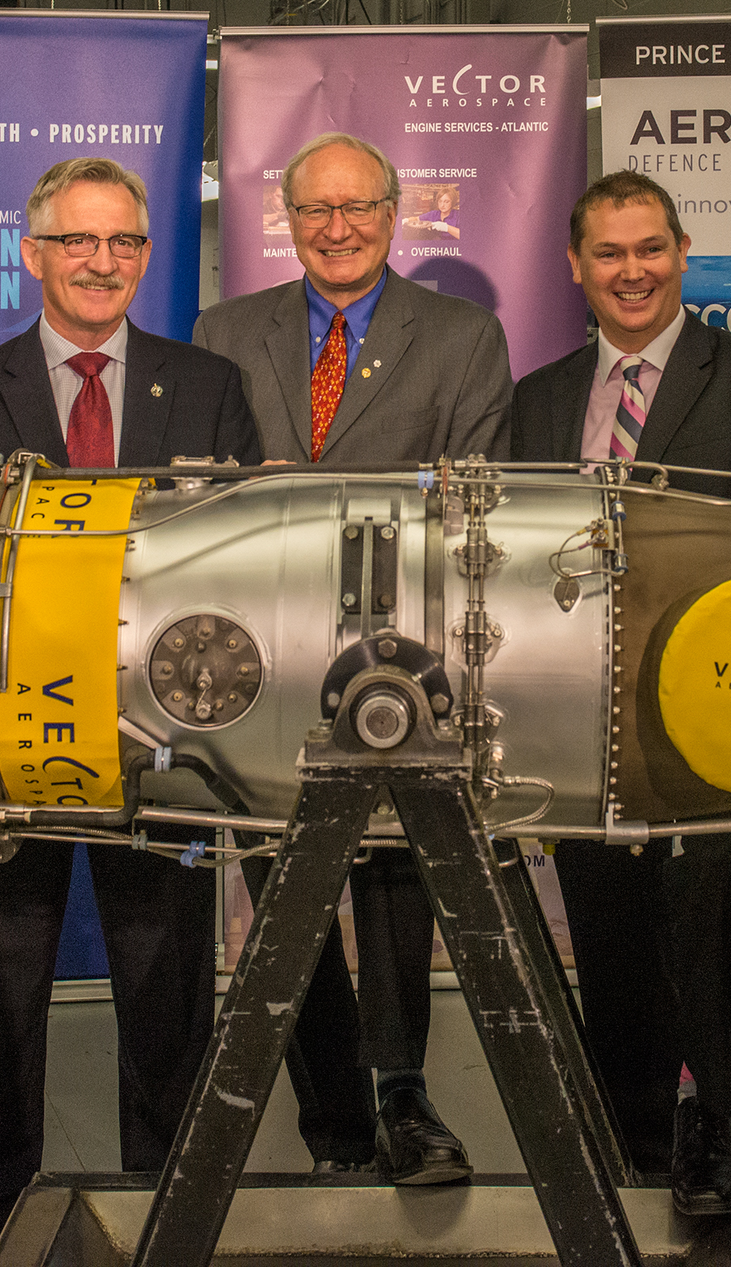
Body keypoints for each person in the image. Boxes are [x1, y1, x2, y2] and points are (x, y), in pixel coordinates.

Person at [0, 157, 263, 1267]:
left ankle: (169, 1209)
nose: (102, 263)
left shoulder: (205, 385)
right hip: (12, 742)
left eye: (123, 243)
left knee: (166, 986)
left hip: (166, 745)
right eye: (79, 243)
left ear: (146, 256)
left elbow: (250, 553)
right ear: (34, 254)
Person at [194, 131, 511, 1185]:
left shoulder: (465, 337)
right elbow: (201, 495)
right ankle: (331, 1114)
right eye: (315, 211)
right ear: (285, 218)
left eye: (358, 209)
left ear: (394, 214)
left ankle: (402, 1092)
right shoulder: (225, 332)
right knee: (279, 888)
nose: (337, 229)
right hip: (257, 664)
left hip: (399, 661)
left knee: (392, 880)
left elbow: (476, 497)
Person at [511, 170, 731, 1215]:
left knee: (711, 913)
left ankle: (706, 1131)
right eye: (610, 252)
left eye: (650, 249)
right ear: (576, 267)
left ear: (682, 253)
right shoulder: (540, 398)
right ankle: (626, 1132)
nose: (631, 270)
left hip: (718, 706)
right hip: (580, 714)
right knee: (607, 922)